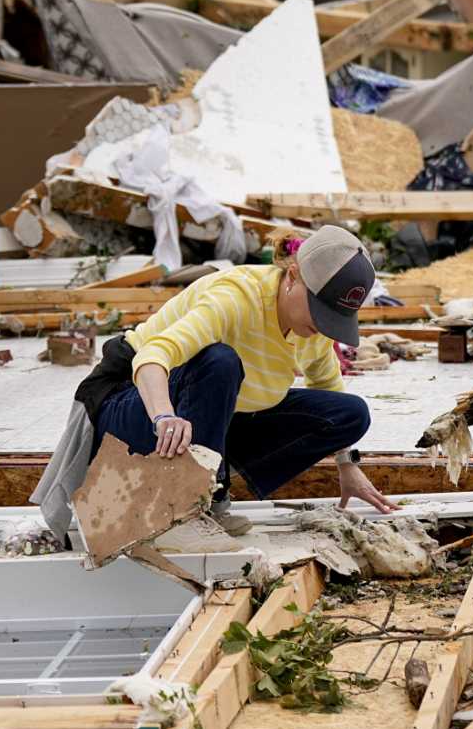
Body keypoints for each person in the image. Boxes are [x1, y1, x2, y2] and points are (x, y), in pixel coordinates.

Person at [75, 225, 394, 534]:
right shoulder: (236, 298)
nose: (324, 326)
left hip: (202, 417)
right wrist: (164, 416)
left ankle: (210, 471)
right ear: (293, 276)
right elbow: (152, 357)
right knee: (220, 361)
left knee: (350, 413)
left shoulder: (311, 328)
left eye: (333, 319)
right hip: (128, 405)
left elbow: (327, 383)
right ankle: (196, 503)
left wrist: (347, 465)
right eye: (320, 311)